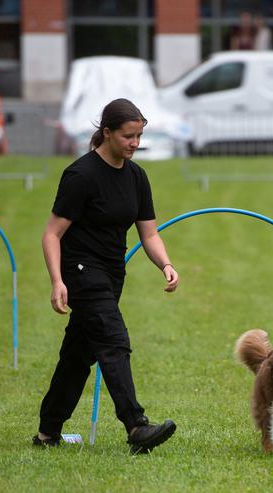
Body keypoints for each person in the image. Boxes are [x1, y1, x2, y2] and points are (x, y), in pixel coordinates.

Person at [35, 98, 179, 455]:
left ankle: (47, 432)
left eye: (139, 136)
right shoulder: (81, 175)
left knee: (77, 355)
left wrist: (165, 264)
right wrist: (57, 280)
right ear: (107, 133)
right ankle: (136, 426)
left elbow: (149, 233)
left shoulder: (136, 177)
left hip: (112, 274)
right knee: (114, 341)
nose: (135, 143)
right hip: (81, 272)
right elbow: (52, 233)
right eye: (129, 136)